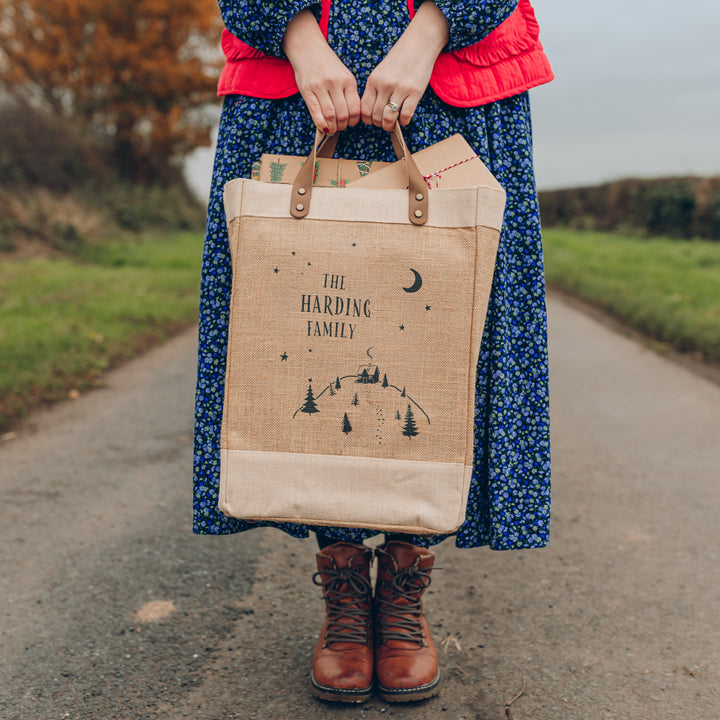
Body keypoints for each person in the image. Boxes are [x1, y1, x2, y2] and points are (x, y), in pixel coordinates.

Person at [193, 0, 553, 704]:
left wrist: (428, 34)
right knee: (306, 339)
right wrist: (301, 41)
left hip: (451, 83)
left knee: (441, 341)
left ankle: (405, 584)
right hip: (297, 87)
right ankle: (345, 585)